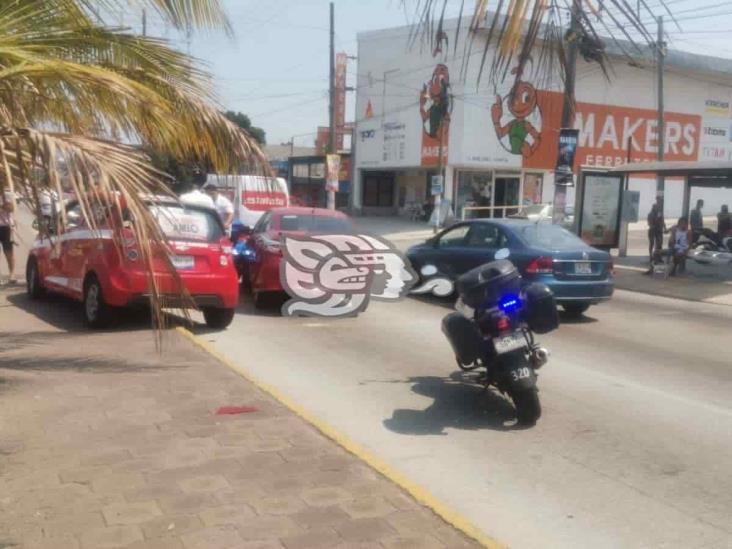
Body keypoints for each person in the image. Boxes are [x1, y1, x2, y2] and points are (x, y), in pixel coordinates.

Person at [0, 188, 16, 284]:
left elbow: (12, 208)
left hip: (5, 227)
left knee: (8, 252)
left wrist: (3, 205)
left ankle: (12, 274)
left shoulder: (6, 194)